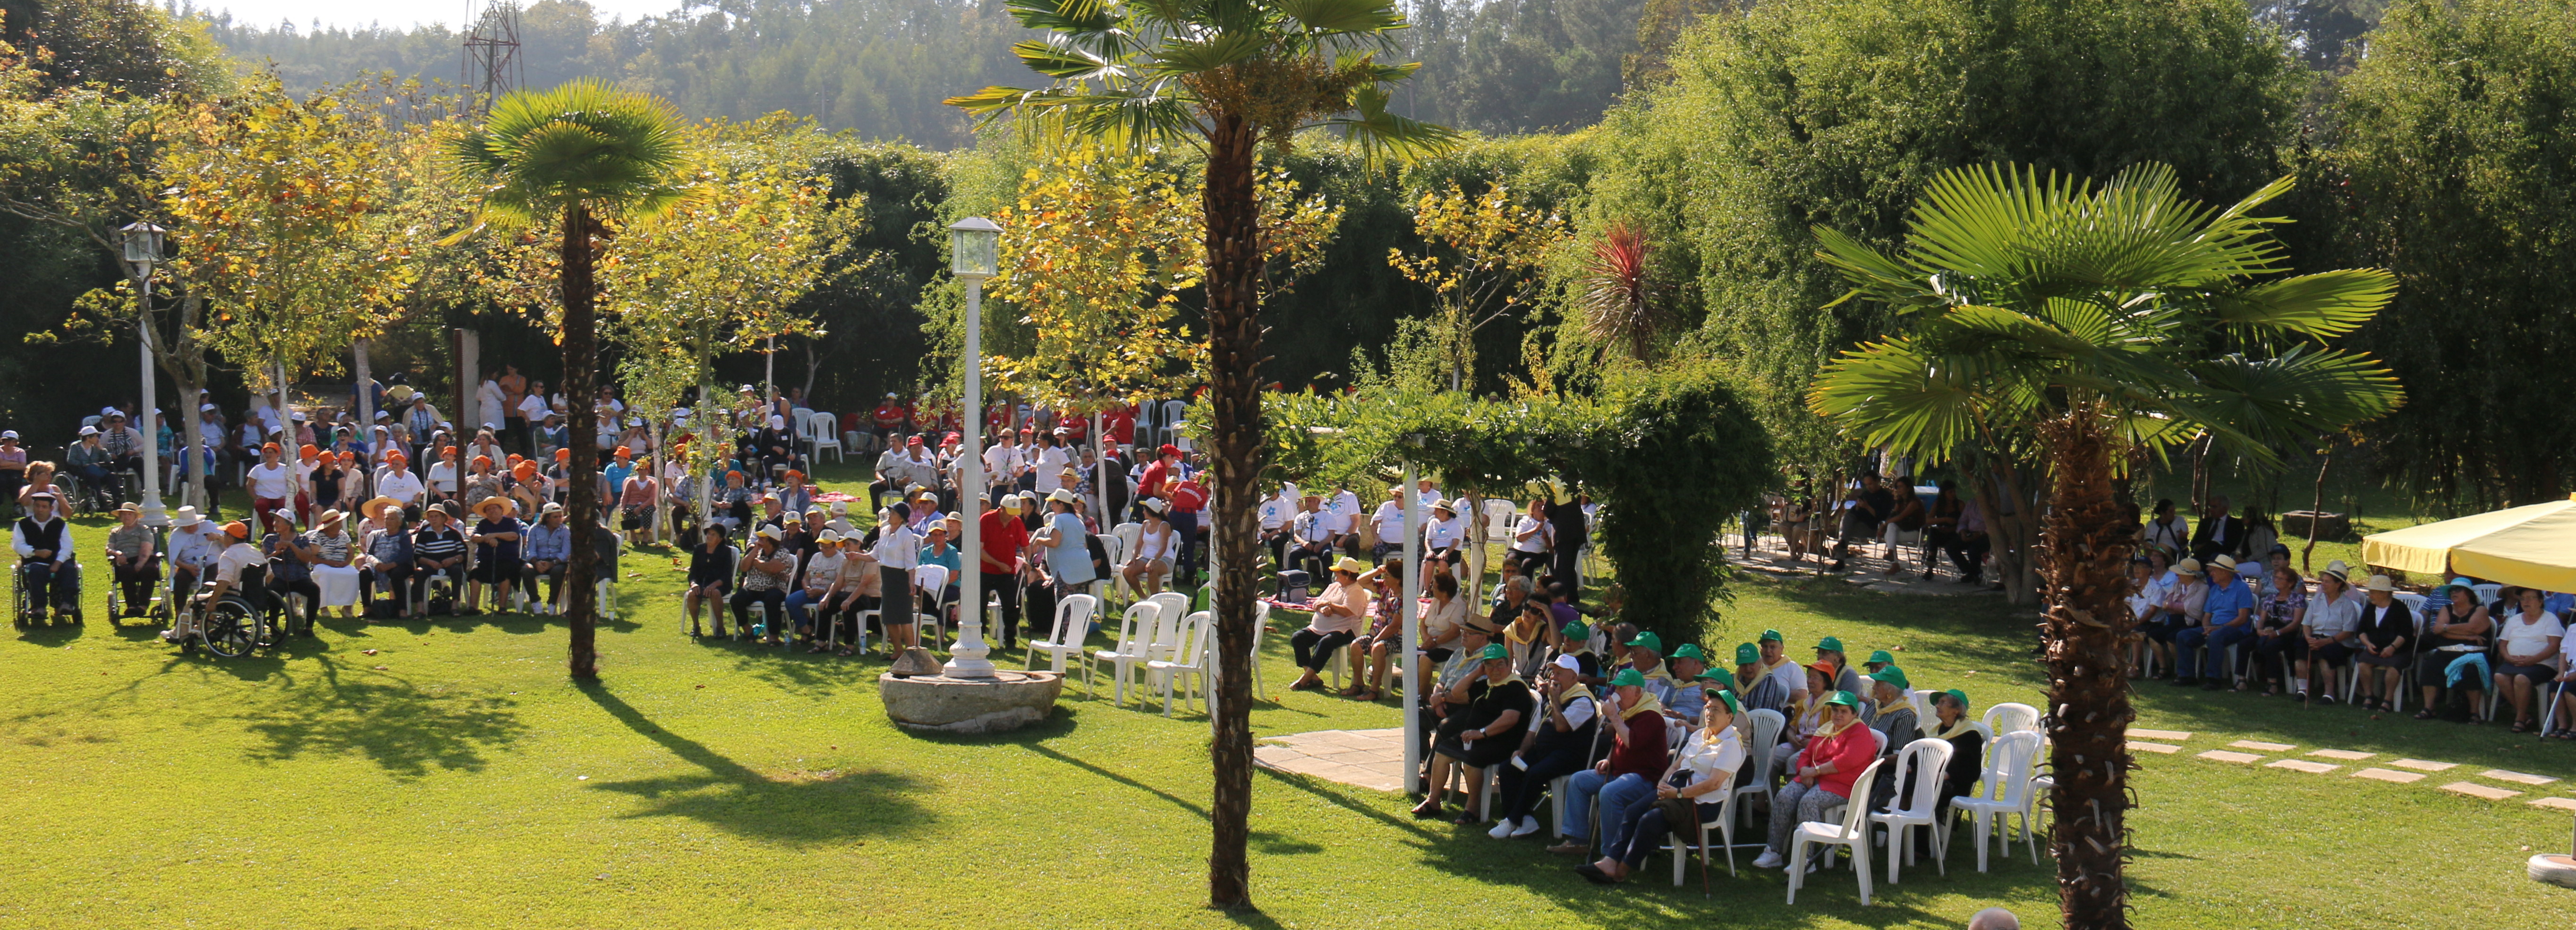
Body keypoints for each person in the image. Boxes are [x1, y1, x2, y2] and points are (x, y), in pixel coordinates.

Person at [1579, 690, 1744, 884]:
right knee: (1633, 811)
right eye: (1708, 708)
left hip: (1702, 802)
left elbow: (1713, 783)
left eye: (1716, 710)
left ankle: (1620, 872)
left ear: (1730, 716)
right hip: (1676, 789)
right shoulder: (1700, 735)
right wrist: (1663, 784)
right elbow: (1676, 765)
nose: (1709, 713)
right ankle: (1609, 862)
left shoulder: (1731, 745)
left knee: (1650, 820)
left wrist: (1678, 793)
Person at [1546, 667, 1669, 856]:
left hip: (1645, 778)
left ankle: (1612, 853)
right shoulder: (1630, 711)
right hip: (1620, 772)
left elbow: (1632, 742)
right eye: (1616, 689)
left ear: (1638, 691)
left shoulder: (1650, 715)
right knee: (1578, 781)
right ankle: (1577, 841)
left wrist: (1613, 716)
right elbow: (1620, 742)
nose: (1617, 694)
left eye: (1623, 690)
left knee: (1610, 793)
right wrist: (1609, 759)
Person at [1411, 643, 1534, 823]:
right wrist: (1477, 673)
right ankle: (1433, 801)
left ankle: (1473, 809)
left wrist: (1482, 733)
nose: (1495, 669)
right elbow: (1457, 691)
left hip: (1502, 741)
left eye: (1500, 664)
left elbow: (1510, 719)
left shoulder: (1514, 688)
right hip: (1477, 737)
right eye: (1489, 665)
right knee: (1443, 750)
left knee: (1471, 759)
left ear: (1509, 665)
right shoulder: (1488, 684)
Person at [1752, 689, 1874, 870]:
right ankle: (1773, 851)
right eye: (1835, 711)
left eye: (1844, 712)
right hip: (1815, 778)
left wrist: (1814, 772)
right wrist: (1803, 771)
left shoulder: (1859, 732)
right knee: (1785, 796)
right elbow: (1807, 753)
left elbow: (1845, 761)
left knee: (1809, 802)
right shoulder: (1826, 729)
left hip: (1843, 785)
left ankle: (1805, 860)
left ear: (1854, 714)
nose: (1838, 715)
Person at [1488, 651, 1595, 839]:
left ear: (1574, 677)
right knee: (1508, 768)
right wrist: (1522, 750)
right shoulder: (1549, 697)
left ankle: (1512, 820)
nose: (1554, 677)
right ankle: (1526, 819)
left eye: (1560, 673)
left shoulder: (1583, 701)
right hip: (1545, 751)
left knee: (1535, 773)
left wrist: (1555, 699)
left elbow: (1562, 727)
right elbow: (1533, 730)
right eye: (1553, 672)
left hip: (1569, 755)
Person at [2413, 577, 2492, 721]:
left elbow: (2472, 627)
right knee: (2431, 666)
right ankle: (2429, 708)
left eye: (2458, 590)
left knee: (2472, 671)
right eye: (2452, 590)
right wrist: (2467, 636)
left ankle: (2475, 713)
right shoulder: (2446, 609)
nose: (2453, 593)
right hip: (2446, 651)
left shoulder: (2480, 610)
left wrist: (2447, 628)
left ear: (2468, 594)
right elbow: (2437, 630)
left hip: (2473, 653)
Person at [1289, 557, 1371, 691]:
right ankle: (1313, 677)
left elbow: (1348, 612)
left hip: (1344, 630)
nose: (1336, 574)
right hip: (1319, 628)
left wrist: (1329, 605)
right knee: (1298, 638)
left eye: (1339, 572)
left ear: (1348, 574)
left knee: (1326, 643)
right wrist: (1323, 608)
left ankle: (1304, 680)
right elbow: (1317, 603)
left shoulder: (1355, 591)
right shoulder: (1334, 586)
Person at [2491, 587, 2562, 733]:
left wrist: (2533, 660)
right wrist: (2507, 657)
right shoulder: (2515, 620)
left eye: (2531, 598)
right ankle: (2525, 715)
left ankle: (2520, 719)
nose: (2526, 602)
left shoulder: (2550, 619)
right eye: (2523, 599)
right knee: (2499, 676)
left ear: (2541, 602)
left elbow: (2554, 646)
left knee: (2521, 679)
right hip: (2514, 662)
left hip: (2542, 664)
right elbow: (2503, 643)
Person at [2174, 555, 2252, 688]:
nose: (2211, 574)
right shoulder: (2214, 589)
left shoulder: (2242, 589)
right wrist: (2207, 628)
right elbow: (2207, 615)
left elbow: (2243, 618)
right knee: (2183, 635)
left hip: (2235, 629)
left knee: (2216, 637)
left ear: (2226, 572)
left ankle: (2213, 679)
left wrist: (2219, 628)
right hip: (2214, 627)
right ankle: (2187, 676)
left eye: (2214, 571)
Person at [2295, 566, 2361, 702]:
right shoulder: (2318, 600)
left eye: (2327, 582)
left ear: (2338, 585)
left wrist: (2326, 641)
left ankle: (2329, 694)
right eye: (2322, 581)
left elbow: (2348, 631)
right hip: (2315, 638)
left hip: (2338, 642)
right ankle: (2303, 690)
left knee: (2326, 652)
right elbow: (2306, 623)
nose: (2323, 585)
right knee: (2300, 648)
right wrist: (2308, 638)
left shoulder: (2347, 604)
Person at [12, 491, 79, 621]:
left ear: (51, 509)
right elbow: (18, 545)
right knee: (35, 572)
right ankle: (39, 607)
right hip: (36, 561)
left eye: (44, 507)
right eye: (37, 506)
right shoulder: (22, 525)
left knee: (70, 570)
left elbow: (67, 546)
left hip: (59, 561)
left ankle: (67, 603)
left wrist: (58, 563)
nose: (40, 510)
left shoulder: (60, 524)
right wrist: (35, 552)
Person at [2246, 565, 2308, 695]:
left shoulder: (2298, 599)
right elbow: (2262, 618)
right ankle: (2241, 680)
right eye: (2276, 578)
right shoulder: (2270, 599)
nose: (2277, 581)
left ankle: (2272, 683)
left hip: (2287, 633)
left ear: (2290, 583)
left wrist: (2278, 633)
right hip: (2269, 629)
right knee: (2244, 643)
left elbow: (2296, 623)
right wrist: (2259, 630)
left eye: (2281, 579)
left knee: (2271, 646)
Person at [872, 503, 922, 651]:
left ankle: (912, 652)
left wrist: (911, 582)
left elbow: (911, 562)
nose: (890, 515)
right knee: (889, 618)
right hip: (887, 578)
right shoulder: (884, 531)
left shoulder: (907, 535)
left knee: (904, 618)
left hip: (901, 578)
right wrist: (859, 556)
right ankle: (899, 652)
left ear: (901, 518)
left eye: (893, 513)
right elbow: (875, 554)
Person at [732, 527, 794, 643]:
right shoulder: (756, 551)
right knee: (736, 600)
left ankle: (774, 637)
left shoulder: (783, 553)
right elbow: (744, 567)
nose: (759, 540)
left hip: (774, 587)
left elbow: (772, 569)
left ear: (771, 540)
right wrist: (755, 550)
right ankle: (748, 630)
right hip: (753, 588)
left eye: (762, 538)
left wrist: (756, 563)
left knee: (772, 600)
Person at [464, 497, 523, 615]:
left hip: (507, 559)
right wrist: (487, 539)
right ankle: (473, 607)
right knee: (475, 574)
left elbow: (514, 536)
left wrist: (495, 535)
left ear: (501, 510)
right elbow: (475, 538)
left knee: (506, 574)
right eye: (489, 509)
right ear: (485, 513)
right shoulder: (482, 524)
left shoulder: (510, 523)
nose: (492, 511)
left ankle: (502, 607)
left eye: (495, 508)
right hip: (485, 560)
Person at [1829, 473, 1895, 572]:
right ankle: (1840, 557)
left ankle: (1841, 553)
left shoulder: (1886, 497)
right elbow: (1854, 513)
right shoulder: (1866, 494)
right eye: (1867, 485)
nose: (1869, 487)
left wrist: (1867, 507)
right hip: (1859, 524)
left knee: (1845, 531)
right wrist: (1858, 507)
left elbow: (1882, 518)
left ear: (1877, 481)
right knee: (1847, 518)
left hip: (1874, 528)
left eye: (1871, 484)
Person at [410, 503, 468, 614]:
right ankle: (421, 608)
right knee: (418, 573)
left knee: (457, 570)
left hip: (450, 564)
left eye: (436, 516)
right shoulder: (424, 534)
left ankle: (455, 605)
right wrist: (430, 562)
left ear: (443, 518)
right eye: (431, 517)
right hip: (430, 565)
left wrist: (453, 560)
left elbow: (463, 553)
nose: (434, 519)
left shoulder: (453, 533)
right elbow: (418, 555)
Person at [103, 502, 158, 619]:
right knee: (125, 571)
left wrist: (140, 563)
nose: (127, 517)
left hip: (144, 559)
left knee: (149, 570)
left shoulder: (144, 530)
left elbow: (147, 548)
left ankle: (143, 605)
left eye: (130, 514)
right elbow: (109, 548)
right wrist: (117, 554)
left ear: (136, 517)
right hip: (125, 561)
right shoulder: (115, 532)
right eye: (124, 515)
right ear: (120, 517)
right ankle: (132, 606)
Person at [682, 524, 735, 636]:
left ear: (720, 539)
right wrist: (694, 584)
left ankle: (720, 628)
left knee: (715, 593)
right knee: (692, 594)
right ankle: (696, 627)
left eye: (713, 535)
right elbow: (693, 572)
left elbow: (727, 575)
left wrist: (714, 585)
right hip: (702, 583)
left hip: (720, 584)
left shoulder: (725, 551)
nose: (709, 536)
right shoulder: (699, 549)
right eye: (709, 534)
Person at [1122, 499, 1176, 597]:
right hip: (1146, 558)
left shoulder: (1164, 526)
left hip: (1165, 559)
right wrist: (1134, 557)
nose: (1143, 512)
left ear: (1151, 512)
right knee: (1127, 571)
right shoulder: (1145, 524)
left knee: (1152, 569)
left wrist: (1153, 561)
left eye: (1145, 510)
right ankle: (1143, 597)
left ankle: (1155, 599)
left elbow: (1163, 548)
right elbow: (1138, 545)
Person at [2188, 495, 2242, 563]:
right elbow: (2194, 542)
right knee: (2209, 547)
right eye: (2210, 506)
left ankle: (2194, 563)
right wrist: (2197, 547)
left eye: (2214, 507)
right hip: (2204, 551)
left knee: (2213, 545)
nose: (2211, 509)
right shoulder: (2205, 523)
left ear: (2225, 508)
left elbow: (2234, 545)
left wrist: (2214, 545)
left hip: (2223, 554)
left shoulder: (2236, 524)